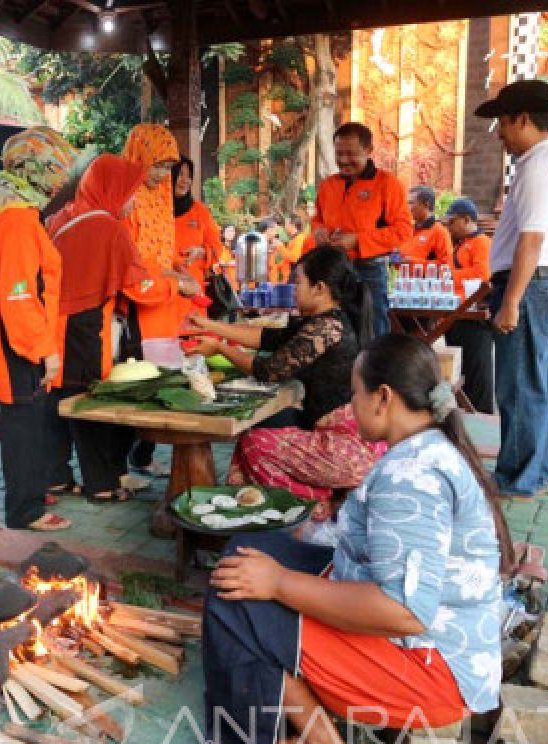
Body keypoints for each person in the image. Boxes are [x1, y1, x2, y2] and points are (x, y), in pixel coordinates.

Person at [203, 334, 507, 744]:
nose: (350, 407)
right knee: (247, 551)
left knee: (238, 600)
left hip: (432, 672)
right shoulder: (419, 448)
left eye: (355, 394)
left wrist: (279, 583)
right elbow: (374, 549)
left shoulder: (413, 477)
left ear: (383, 398)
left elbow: (401, 611)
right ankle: (287, 690)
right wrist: (306, 535)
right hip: (419, 641)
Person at [186, 246, 382, 519]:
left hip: (348, 448)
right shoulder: (322, 321)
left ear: (319, 288)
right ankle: (244, 510)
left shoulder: (326, 328)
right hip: (341, 437)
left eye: (298, 282)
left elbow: (270, 370)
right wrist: (210, 326)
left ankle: (319, 505)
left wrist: (220, 348)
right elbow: (267, 338)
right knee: (255, 435)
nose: (293, 289)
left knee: (255, 444)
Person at [474, 79, 548, 499]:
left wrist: (511, 301)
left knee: (519, 387)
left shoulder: (537, 165)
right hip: (540, 284)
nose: (499, 132)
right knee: (535, 384)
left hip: (532, 287)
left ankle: (517, 479)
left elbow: (531, 239)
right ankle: (532, 471)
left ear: (521, 119)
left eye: (502, 122)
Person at [0, 126, 76, 533]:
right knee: (22, 423)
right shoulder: (15, 219)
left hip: (20, 335)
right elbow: (20, 294)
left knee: (27, 420)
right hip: (18, 339)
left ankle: (31, 499)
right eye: (55, 168)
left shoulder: (15, 209)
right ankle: (25, 512)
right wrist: (43, 350)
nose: (60, 179)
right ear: (36, 169)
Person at [46, 154, 149, 503]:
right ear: (111, 189)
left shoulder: (61, 217)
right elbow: (137, 286)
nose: (133, 201)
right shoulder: (109, 227)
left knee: (59, 401)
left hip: (54, 327)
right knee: (90, 406)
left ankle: (57, 477)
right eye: (129, 192)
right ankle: (102, 485)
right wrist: (176, 285)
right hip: (88, 328)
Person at [121, 123, 199, 477]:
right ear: (137, 158)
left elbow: (161, 255)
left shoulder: (159, 198)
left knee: (163, 381)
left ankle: (144, 456)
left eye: (167, 167)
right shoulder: (127, 201)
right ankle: (127, 460)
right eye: (157, 165)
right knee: (141, 385)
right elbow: (132, 272)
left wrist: (178, 268)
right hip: (140, 309)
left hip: (165, 310)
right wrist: (173, 282)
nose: (162, 175)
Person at [312, 122, 412, 337]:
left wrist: (357, 240)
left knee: (373, 332)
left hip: (370, 270)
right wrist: (318, 230)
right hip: (334, 269)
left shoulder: (387, 184)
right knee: (335, 333)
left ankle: (375, 371)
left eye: (351, 154)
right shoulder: (328, 185)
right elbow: (318, 218)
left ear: (368, 151)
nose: (344, 160)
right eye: (339, 153)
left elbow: (403, 230)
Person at [444, 198, 494, 413]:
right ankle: (464, 411)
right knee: (462, 367)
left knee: (477, 369)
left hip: (474, 315)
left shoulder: (482, 242)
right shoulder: (461, 244)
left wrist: (448, 276)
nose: (449, 227)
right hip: (458, 313)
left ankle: (481, 413)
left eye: (452, 222)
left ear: (466, 220)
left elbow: (483, 275)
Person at [171, 157, 224, 291]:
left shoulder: (200, 211)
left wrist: (202, 252)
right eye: (180, 174)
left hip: (193, 292)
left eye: (189, 176)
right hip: (164, 289)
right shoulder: (155, 208)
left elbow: (217, 248)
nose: (185, 180)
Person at [399, 185, 454, 268]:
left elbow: (446, 266)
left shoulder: (439, 232)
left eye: (411, 203)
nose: (407, 208)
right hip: (406, 280)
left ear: (426, 204)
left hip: (427, 280)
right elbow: (403, 259)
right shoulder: (410, 229)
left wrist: (413, 263)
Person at [269, 214, 313, 283]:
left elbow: (295, 258)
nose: (285, 226)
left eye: (286, 224)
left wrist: (280, 247)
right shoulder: (293, 239)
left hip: (295, 277)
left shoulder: (300, 238)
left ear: (292, 225)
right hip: (288, 276)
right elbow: (287, 259)